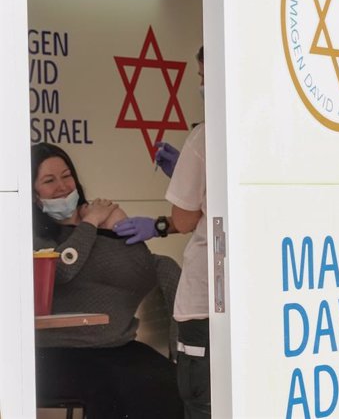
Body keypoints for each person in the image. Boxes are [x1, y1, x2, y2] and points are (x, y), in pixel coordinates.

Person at [31, 142, 184, 418]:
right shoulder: (36, 236)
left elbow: (144, 269)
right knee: (117, 391)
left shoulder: (100, 220)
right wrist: (91, 224)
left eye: (67, 176)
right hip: (60, 351)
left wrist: (115, 225)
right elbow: (64, 270)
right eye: (49, 181)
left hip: (117, 346)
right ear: (34, 195)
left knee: (171, 384)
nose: (63, 187)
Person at [115, 45, 211, 418]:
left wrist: (181, 192)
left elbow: (186, 219)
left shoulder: (204, 138)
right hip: (246, 303)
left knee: (203, 404)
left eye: (203, 79)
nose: (201, 87)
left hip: (206, 307)